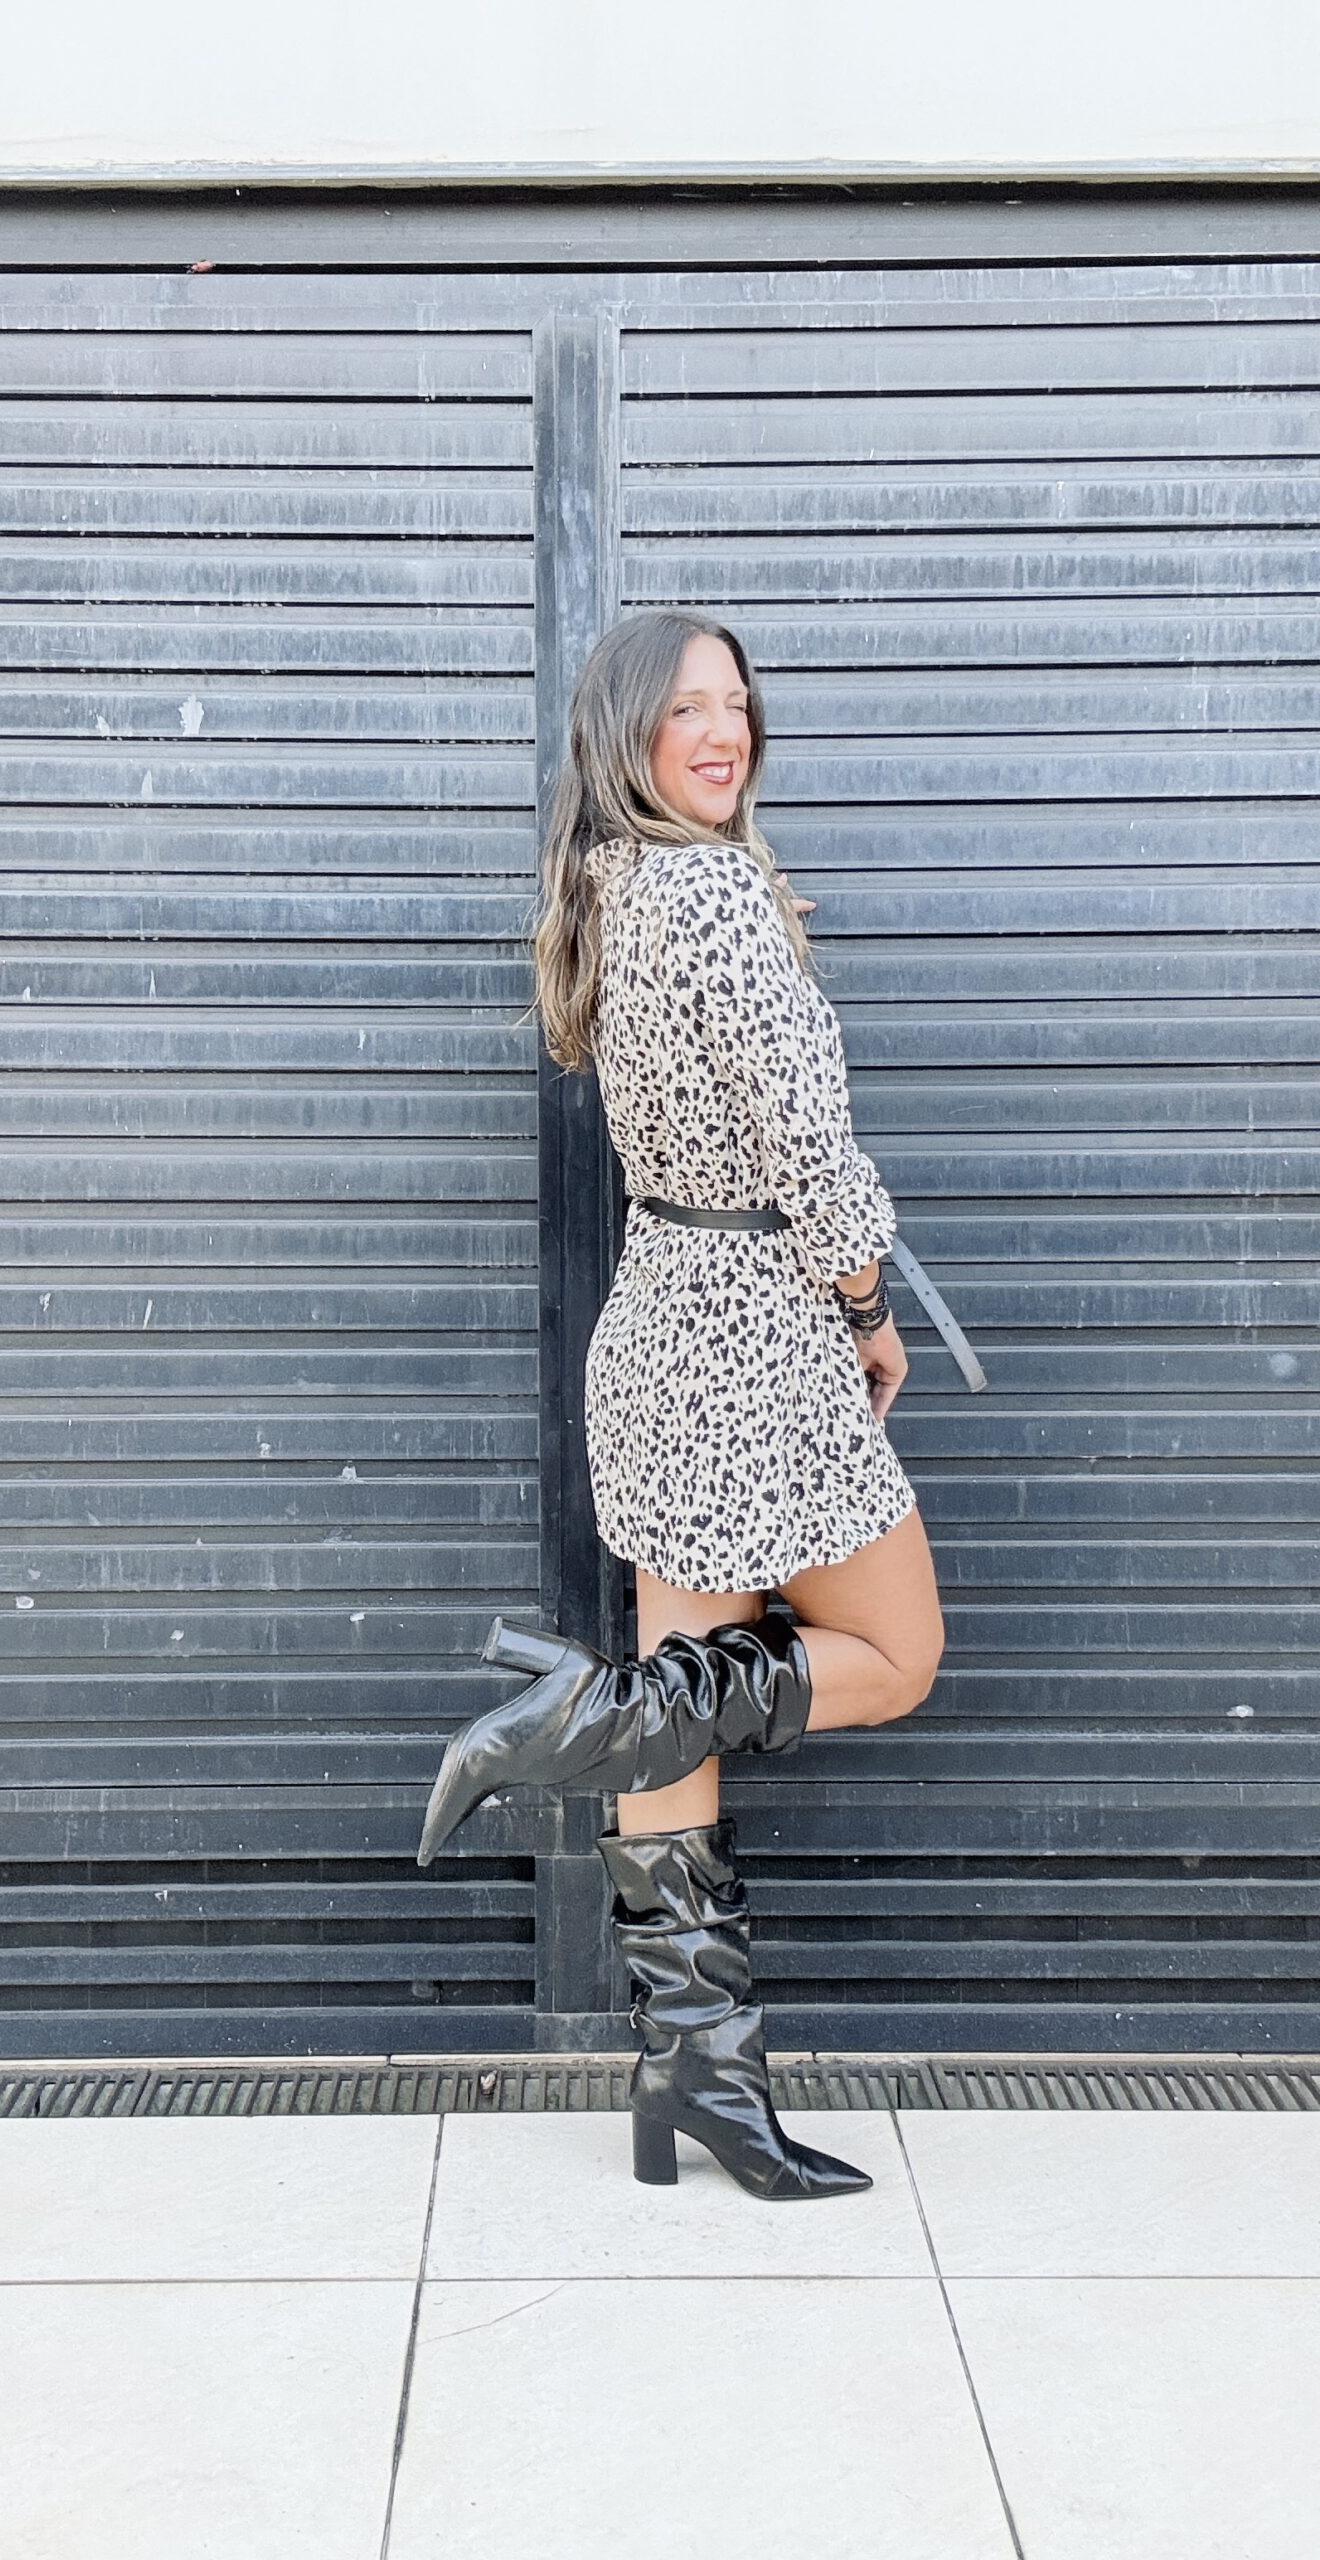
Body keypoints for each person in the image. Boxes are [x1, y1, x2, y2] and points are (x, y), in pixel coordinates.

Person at [418, 610, 945, 2201]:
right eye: (688, 710)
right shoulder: (711, 895)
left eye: (739, 705)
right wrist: (869, 1308)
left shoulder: (613, 887)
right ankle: (575, 1718)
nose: (726, 733)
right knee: (897, 1655)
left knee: (689, 1706)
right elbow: (810, 1154)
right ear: (627, 733)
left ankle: (696, 2076)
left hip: (662, 1325)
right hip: (754, 1335)